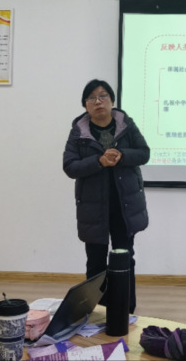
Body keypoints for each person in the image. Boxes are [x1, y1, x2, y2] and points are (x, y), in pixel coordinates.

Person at [63, 79, 150, 313]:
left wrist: (122, 155)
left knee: (124, 260)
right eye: (92, 98)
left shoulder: (126, 125)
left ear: (112, 100)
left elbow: (144, 153)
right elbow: (70, 166)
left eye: (103, 96)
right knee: (96, 264)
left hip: (124, 207)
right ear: (85, 105)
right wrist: (98, 161)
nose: (98, 102)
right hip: (94, 210)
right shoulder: (79, 132)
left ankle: (125, 312)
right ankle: (97, 315)